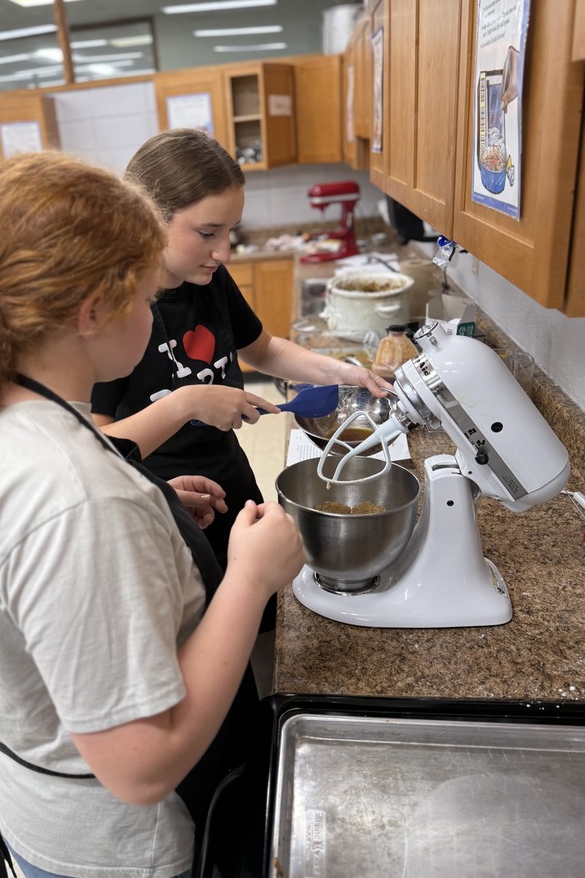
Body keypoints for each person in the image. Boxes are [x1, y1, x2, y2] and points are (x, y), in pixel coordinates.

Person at [0, 151, 304, 878]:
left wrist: (158, 507)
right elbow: (139, 765)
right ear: (94, 309)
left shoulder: (3, 415)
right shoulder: (72, 497)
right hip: (125, 855)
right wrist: (250, 576)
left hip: (55, 814)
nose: (157, 311)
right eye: (146, 295)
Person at [92, 128, 393, 584]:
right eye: (209, 232)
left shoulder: (209, 278)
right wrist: (187, 402)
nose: (224, 251)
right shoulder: (118, 311)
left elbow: (264, 349)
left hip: (231, 476)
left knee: (265, 605)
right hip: (168, 499)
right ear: (147, 217)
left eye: (231, 231)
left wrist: (343, 373)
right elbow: (98, 445)